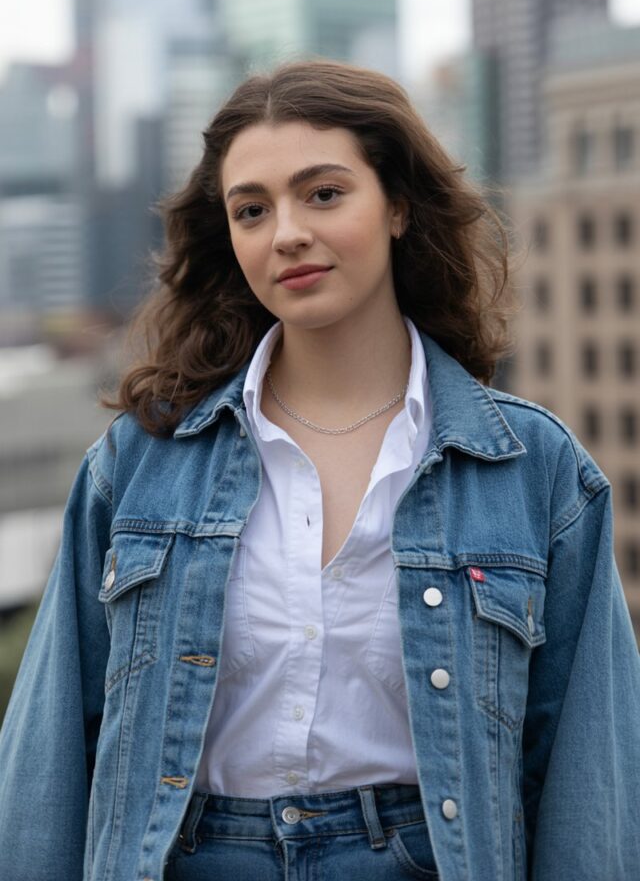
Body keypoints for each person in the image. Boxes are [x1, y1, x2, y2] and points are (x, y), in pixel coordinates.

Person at [0, 59, 638, 881]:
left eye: (324, 194)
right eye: (252, 210)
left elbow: (590, 777)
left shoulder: (534, 470)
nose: (287, 232)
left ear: (399, 205)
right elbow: (50, 751)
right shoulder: (138, 463)